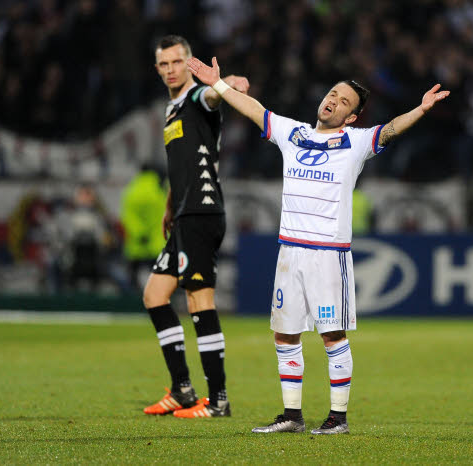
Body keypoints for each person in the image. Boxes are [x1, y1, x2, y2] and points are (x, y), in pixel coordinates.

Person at [188, 55, 449, 433]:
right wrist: (219, 84)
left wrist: (421, 110)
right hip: (289, 252)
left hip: (328, 255)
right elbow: (254, 109)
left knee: (332, 335)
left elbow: (390, 130)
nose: (333, 101)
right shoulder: (292, 133)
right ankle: (292, 416)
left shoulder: (356, 142)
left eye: (344, 102)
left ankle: (338, 418)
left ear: (351, 117)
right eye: (332, 94)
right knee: (284, 334)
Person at [142, 35, 249, 419]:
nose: (171, 69)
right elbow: (183, 164)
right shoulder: (172, 110)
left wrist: (227, 83)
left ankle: (218, 399)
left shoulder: (196, 98)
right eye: (164, 64)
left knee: (199, 301)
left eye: (177, 62)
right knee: (155, 295)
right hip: (185, 213)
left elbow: (213, 96)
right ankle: (182, 390)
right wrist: (170, 204)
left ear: (188, 63)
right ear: (158, 69)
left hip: (202, 213)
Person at [120, 163, 167, 291]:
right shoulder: (160, 190)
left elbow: (128, 217)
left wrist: (139, 233)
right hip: (157, 245)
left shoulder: (132, 190)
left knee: (133, 283)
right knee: (160, 283)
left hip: (137, 245)